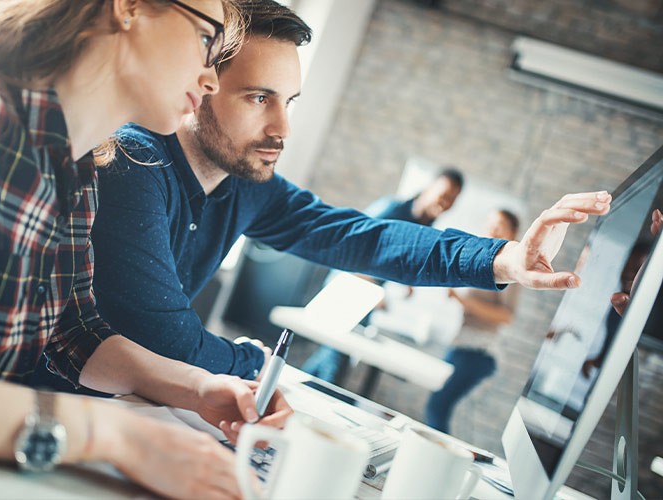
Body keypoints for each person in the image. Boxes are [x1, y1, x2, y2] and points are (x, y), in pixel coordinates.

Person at [0, 2, 292, 499]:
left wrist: (197, 389)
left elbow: (75, 333)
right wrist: (114, 435)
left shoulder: (79, 166)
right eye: (205, 40)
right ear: (129, 7)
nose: (211, 78)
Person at [68, 0, 611, 388]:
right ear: (202, 83)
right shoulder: (133, 164)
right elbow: (169, 341)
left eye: (291, 102)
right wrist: (255, 363)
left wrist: (506, 258)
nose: (282, 128)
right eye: (260, 98)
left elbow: (364, 238)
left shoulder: (246, 186)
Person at [301, 168, 464, 382]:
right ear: (429, 188)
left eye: (452, 199)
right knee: (334, 365)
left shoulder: (424, 225)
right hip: (347, 288)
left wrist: (404, 282)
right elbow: (353, 243)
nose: (445, 202)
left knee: (329, 359)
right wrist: (374, 290)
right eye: (444, 194)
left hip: (365, 297)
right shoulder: (392, 209)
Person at [424, 209, 521, 434]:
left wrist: (461, 300)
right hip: (460, 345)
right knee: (438, 405)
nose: (491, 230)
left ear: (513, 233)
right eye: (489, 224)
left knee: (437, 405)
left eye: (499, 226)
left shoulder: (510, 267)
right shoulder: (484, 261)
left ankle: (441, 463)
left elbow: (506, 316)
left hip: (478, 352)